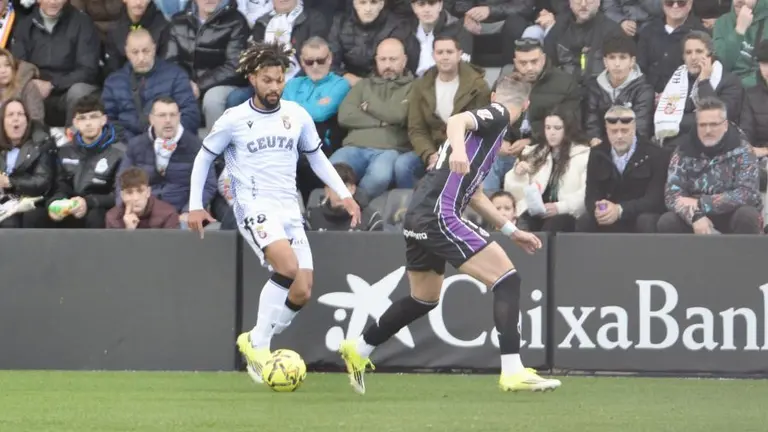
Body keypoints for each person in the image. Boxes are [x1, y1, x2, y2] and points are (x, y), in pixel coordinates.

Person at [337, 77, 562, 395]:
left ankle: (358, 349)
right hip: (438, 215)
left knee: (423, 298)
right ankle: (512, 370)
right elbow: (457, 120)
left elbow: (476, 195)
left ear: (496, 94)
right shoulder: (496, 115)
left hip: (418, 214)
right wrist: (457, 149)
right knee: (507, 281)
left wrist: (511, 231)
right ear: (525, 106)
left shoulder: (489, 139)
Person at [186, 41, 361, 385]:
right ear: (253, 78)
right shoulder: (234, 118)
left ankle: (255, 338)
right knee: (287, 267)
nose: (274, 87)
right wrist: (195, 204)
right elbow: (204, 157)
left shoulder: (296, 115)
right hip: (254, 205)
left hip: (288, 207)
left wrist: (344, 194)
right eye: (267, 80)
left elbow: (316, 157)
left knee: (302, 290)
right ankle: (261, 345)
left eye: (279, 79)